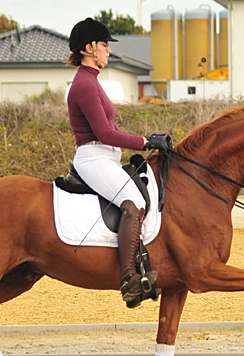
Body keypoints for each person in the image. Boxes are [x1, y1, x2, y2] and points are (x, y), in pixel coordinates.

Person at [66, 17, 168, 306]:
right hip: (93, 156)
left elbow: (112, 132)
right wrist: (146, 142)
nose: (108, 51)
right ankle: (129, 278)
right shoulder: (85, 85)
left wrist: (147, 140)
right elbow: (105, 133)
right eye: (104, 45)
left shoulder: (92, 82)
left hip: (105, 156)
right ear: (88, 48)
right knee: (133, 201)